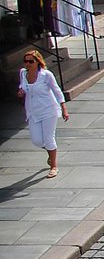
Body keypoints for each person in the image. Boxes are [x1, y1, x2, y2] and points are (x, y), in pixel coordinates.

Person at [18, 47, 67, 178]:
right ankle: (51, 152)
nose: (28, 64)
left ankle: (54, 166)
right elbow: (22, 86)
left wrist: (64, 108)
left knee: (49, 138)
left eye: (31, 61)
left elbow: (57, 91)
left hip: (48, 109)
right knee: (37, 141)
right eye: (26, 61)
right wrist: (20, 92)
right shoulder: (23, 73)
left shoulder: (46, 75)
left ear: (38, 62)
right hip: (32, 111)